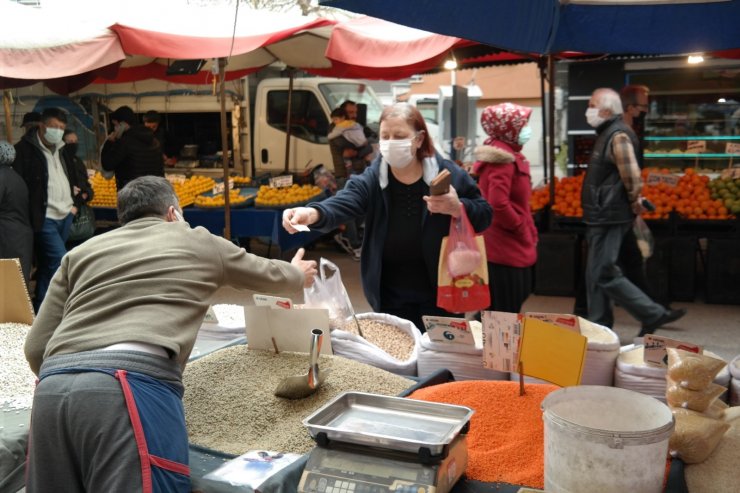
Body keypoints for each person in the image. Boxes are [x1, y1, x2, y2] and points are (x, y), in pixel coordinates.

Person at [24, 175, 317, 493]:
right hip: (128, 388)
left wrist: (75, 378)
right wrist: (296, 275)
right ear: (172, 213)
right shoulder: (195, 239)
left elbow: (36, 347)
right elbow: (271, 276)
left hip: (51, 391)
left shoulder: (80, 253)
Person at [283, 102, 492, 332]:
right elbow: (346, 200)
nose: (391, 142)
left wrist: (457, 207)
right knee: (398, 360)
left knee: (440, 361)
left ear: (419, 139)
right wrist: (312, 213)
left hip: (442, 289)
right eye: (385, 135)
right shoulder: (373, 178)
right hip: (389, 292)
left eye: (400, 135)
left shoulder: (447, 174)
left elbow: (485, 214)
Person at [582, 88, 685, 337]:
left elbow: (632, 175)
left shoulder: (617, 135)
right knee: (596, 272)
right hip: (604, 212)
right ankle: (600, 324)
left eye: (592, 104)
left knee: (604, 270)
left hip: (610, 213)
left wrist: (633, 199)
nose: (588, 109)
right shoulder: (608, 133)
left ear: (607, 110)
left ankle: (650, 313)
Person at [12, 107, 81, 311]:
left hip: (66, 214)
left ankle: (41, 306)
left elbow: (73, 176)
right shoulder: (24, 150)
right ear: (42, 126)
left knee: (47, 266)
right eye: (54, 127)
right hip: (45, 217)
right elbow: (20, 185)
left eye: (61, 128)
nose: (58, 131)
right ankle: (56, 308)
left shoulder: (63, 149)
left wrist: (75, 205)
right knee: (60, 261)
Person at [473, 103, 538, 313]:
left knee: (502, 308)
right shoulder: (503, 161)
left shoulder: (507, 155)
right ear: (508, 128)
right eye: (523, 124)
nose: (527, 129)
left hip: (508, 243)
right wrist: (519, 225)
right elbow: (498, 203)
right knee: (504, 312)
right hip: (504, 246)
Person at [101, 106, 164, 191]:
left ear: (124, 124)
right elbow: (160, 170)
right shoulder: (154, 140)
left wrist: (109, 143)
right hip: (153, 191)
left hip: (132, 193)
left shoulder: (124, 142)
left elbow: (107, 165)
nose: (114, 129)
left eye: (116, 125)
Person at [0, 141, 33, 284]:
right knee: (17, 281)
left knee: (8, 283)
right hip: (19, 235)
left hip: (7, 236)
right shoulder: (15, 176)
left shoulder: (1, 176)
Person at [62, 129, 95, 248]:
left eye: (75, 141)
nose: (73, 144)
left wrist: (87, 194)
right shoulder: (60, 162)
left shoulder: (78, 161)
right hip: (66, 212)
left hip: (80, 208)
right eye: (70, 141)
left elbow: (87, 185)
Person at [328, 107, 374, 176]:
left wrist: (363, 147)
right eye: (351, 112)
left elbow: (369, 147)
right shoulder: (336, 128)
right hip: (345, 172)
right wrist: (363, 149)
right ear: (344, 115)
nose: (354, 115)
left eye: (356, 112)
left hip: (360, 168)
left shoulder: (353, 125)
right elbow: (348, 150)